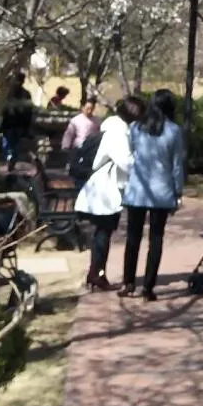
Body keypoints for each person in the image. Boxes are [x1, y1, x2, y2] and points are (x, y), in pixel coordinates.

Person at [119, 90, 186, 301]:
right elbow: (177, 165)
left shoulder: (136, 128)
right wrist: (178, 191)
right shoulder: (174, 131)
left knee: (133, 238)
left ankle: (128, 283)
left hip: (138, 190)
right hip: (162, 192)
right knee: (156, 239)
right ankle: (148, 288)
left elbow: (131, 153)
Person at [74, 97, 138, 291]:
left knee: (101, 234)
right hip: (105, 192)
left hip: (101, 190)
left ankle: (95, 273)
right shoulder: (118, 133)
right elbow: (126, 163)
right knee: (103, 234)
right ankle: (97, 274)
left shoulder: (110, 128)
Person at [0, 73, 35, 169]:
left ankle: (11, 159)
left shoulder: (24, 94)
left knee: (14, 144)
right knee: (8, 143)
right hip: (10, 124)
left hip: (17, 124)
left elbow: (29, 111)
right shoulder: (7, 93)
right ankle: (10, 159)